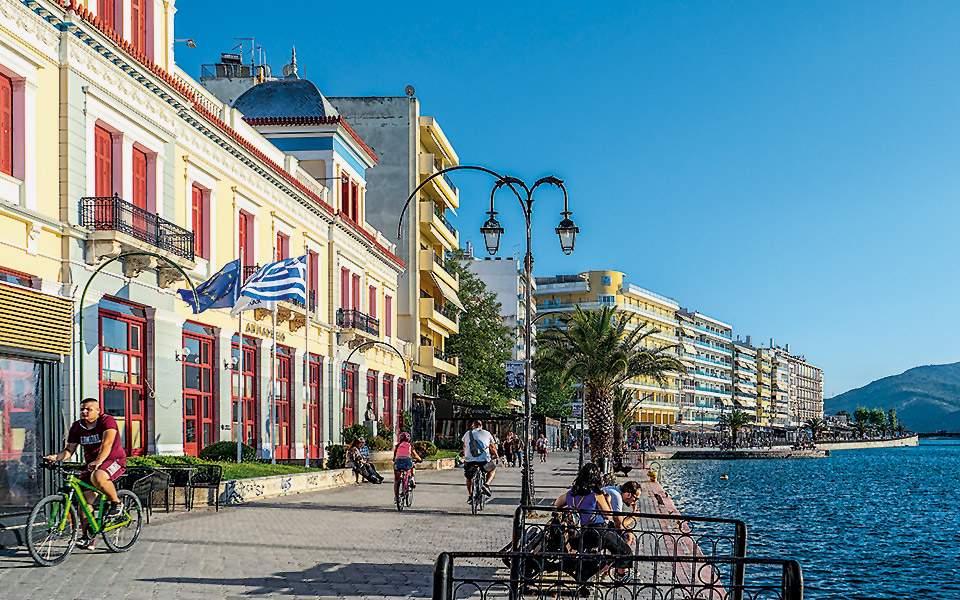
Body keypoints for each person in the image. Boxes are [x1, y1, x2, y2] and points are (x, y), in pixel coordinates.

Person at [44, 397, 127, 550]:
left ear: (98, 411)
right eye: (82, 409)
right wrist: (56, 457)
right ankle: (88, 537)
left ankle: (117, 503)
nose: (84, 411)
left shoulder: (107, 421)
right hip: (92, 465)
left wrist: (99, 461)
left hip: (114, 460)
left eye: (88, 409)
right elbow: (69, 450)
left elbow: (107, 444)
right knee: (84, 502)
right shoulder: (77, 426)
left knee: (98, 476)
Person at [554, 463, 632, 582]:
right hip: (596, 534)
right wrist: (609, 501)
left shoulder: (571, 493)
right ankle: (619, 575)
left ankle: (600, 571)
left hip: (576, 536)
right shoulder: (596, 494)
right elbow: (608, 515)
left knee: (615, 542)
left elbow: (557, 504)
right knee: (625, 550)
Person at [462, 420, 498, 503]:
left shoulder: (468, 433)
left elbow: (464, 446)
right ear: (481, 426)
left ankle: (470, 495)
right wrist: (496, 455)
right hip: (483, 460)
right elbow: (492, 447)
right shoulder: (487, 433)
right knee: (492, 469)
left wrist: (465, 457)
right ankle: (486, 484)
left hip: (470, 461)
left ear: (473, 426)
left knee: (469, 477)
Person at [393, 432, 422, 499]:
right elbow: (415, 455)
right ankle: (412, 478)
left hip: (398, 461)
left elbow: (394, 457)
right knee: (412, 465)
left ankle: (396, 497)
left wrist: (395, 459)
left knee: (396, 480)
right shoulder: (410, 445)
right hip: (407, 461)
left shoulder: (397, 446)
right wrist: (420, 459)